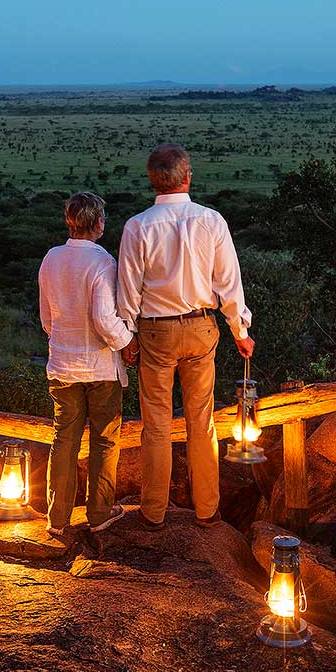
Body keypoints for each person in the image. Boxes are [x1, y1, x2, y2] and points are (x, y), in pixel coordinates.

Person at [117, 143, 253, 531]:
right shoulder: (211, 221)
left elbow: (128, 291)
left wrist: (128, 336)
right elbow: (229, 284)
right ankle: (207, 511)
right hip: (200, 327)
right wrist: (240, 331)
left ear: (152, 180)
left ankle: (153, 512)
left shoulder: (137, 226)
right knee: (201, 420)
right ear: (187, 176)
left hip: (156, 332)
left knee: (157, 424)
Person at [38, 191, 136, 537]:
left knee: (64, 439)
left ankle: (57, 517)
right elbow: (105, 320)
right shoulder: (103, 263)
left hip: (62, 365)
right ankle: (99, 512)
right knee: (105, 439)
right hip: (99, 368)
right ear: (98, 223)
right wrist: (128, 342)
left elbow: (47, 319)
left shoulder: (50, 259)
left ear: (70, 221)